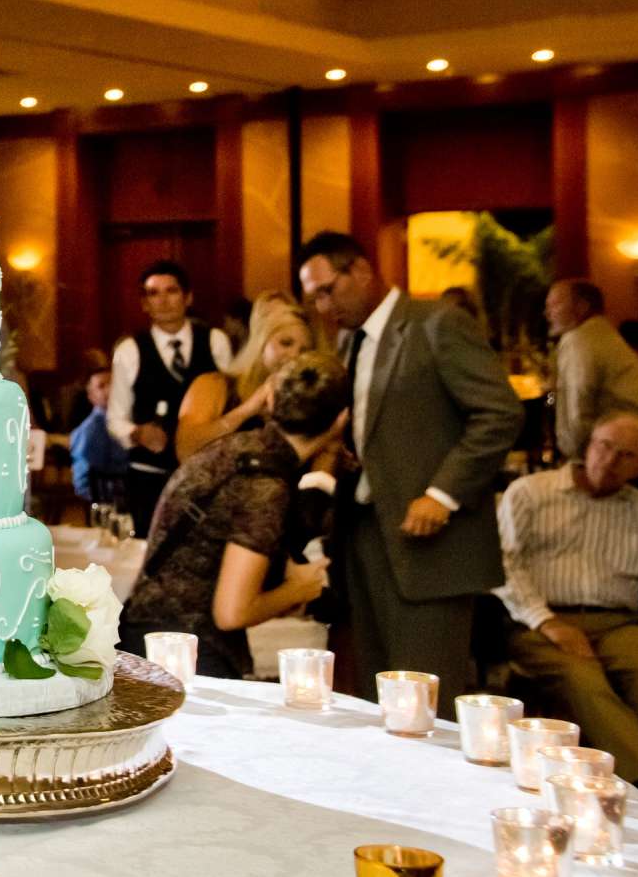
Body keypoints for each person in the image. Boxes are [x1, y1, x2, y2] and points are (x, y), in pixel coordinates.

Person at [298, 230, 522, 712]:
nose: (321, 305)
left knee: (428, 699)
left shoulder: (437, 323)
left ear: (360, 269)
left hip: (430, 542)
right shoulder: (349, 343)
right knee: (378, 696)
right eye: (312, 296)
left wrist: (442, 495)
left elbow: (500, 413)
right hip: (365, 533)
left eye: (326, 289)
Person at [120, 352, 347, 679]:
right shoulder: (264, 484)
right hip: (185, 656)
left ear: (269, 401)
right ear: (341, 419)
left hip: (147, 636)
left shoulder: (234, 449)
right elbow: (231, 612)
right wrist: (302, 589)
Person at [494, 412, 638, 790]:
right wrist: (547, 622)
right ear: (588, 444)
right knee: (583, 679)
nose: (611, 461)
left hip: (619, 621)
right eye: (605, 446)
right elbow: (504, 566)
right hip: (539, 620)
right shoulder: (532, 492)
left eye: (627, 455)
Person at [107, 259, 236, 537]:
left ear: (188, 297)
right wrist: (137, 432)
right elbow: (115, 419)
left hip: (206, 475)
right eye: (154, 293)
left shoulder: (215, 341)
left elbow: (230, 408)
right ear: (144, 303)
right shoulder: (130, 350)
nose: (163, 300)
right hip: (149, 477)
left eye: (171, 291)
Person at [174, 298, 312, 461]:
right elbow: (185, 450)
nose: (295, 356)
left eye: (304, 351)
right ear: (261, 341)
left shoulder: (303, 399)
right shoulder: (215, 384)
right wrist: (248, 409)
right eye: (286, 343)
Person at [546, 279, 638, 461]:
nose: (548, 313)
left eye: (554, 305)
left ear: (582, 306)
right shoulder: (602, 334)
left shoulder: (579, 339)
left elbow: (577, 410)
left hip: (619, 453)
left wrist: (578, 463)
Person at [68, 368, 131, 504]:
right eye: (101, 386)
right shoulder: (91, 429)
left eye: (113, 384)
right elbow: (84, 481)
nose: (110, 390)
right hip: (114, 502)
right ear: (91, 396)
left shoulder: (128, 421)